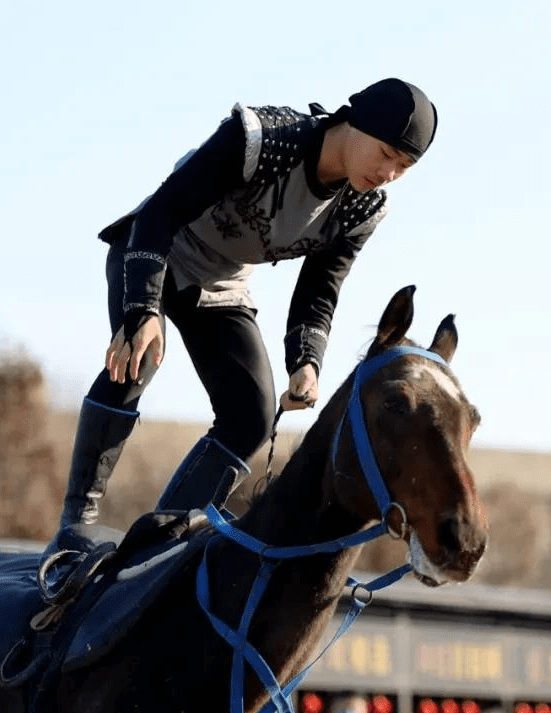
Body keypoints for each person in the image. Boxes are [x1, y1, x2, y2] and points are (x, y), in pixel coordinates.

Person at [47, 78, 439, 554]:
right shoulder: (260, 139)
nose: (389, 173)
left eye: (404, 166)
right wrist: (142, 309)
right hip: (158, 249)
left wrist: (306, 362)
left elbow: (321, 287)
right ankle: (75, 523)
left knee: (253, 417)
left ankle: (160, 543)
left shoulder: (364, 205)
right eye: (386, 154)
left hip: (224, 283)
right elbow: (161, 213)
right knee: (141, 356)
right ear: (356, 123)